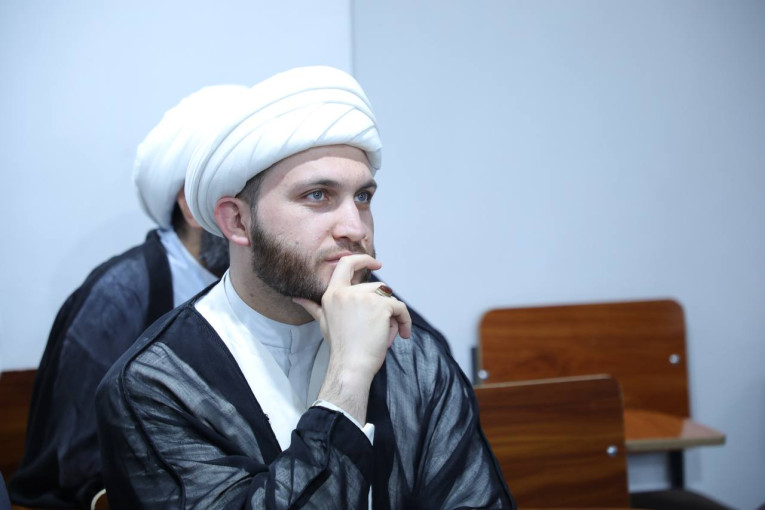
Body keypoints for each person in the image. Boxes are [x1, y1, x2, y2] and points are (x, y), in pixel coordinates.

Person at [96, 66, 515, 509]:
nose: (355, 227)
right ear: (237, 221)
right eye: (318, 195)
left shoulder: (414, 354)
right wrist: (348, 380)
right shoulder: (155, 384)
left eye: (363, 197)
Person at [9, 85, 247, 509]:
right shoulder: (119, 296)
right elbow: (78, 461)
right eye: (240, 199)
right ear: (192, 208)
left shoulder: (255, 285)